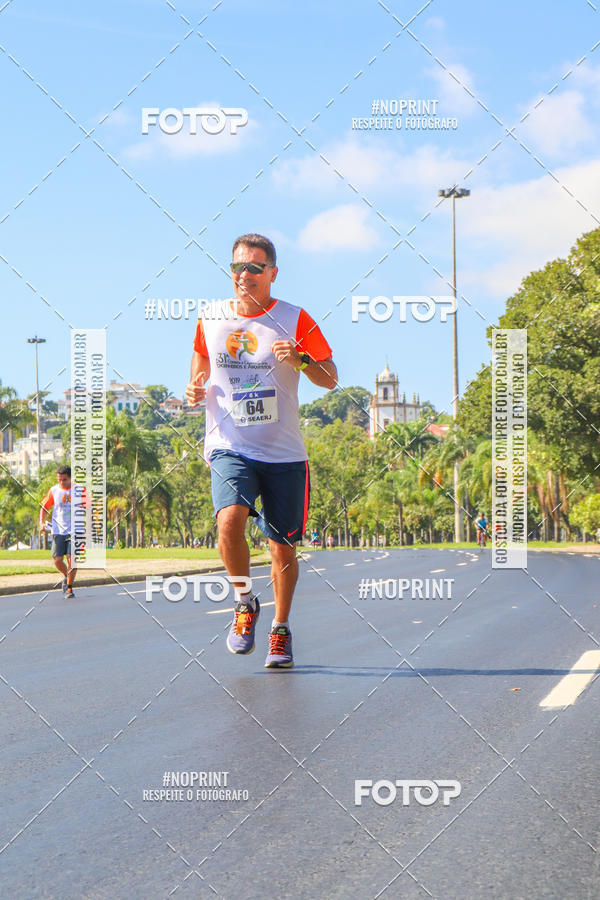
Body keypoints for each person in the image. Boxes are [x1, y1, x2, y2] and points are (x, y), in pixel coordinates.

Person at [186, 233, 337, 668]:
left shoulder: (295, 319)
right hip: (229, 444)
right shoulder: (211, 317)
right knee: (229, 520)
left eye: (254, 268)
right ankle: (245, 601)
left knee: (281, 548)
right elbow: (200, 359)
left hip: (284, 452)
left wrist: (302, 361)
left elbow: (330, 377)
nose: (244, 275)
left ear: (272, 273)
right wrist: (195, 386)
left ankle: (281, 629)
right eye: (237, 267)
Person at [40, 464, 77, 598]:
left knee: (72, 559)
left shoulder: (79, 490)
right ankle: (67, 576)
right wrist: (41, 523)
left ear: (70, 478)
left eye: (64, 479)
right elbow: (44, 507)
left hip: (74, 530)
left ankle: (69, 589)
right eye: (59, 479)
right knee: (57, 560)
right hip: (58, 530)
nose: (61, 482)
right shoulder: (54, 490)